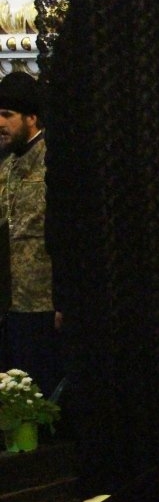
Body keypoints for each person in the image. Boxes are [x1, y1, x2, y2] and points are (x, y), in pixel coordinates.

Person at [0, 71, 63, 398]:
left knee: (42, 397)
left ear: (32, 118)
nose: (0, 123)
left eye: (7, 114)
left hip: (44, 306)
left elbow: (69, 239)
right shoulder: (6, 166)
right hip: (10, 304)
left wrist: (66, 301)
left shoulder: (55, 164)